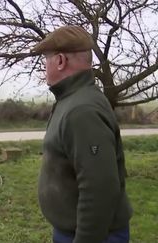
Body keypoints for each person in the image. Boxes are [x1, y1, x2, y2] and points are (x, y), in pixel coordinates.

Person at [32, 26, 132, 243]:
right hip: (73, 230)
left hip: (94, 235)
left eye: (46, 60)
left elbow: (100, 189)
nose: (44, 68)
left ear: (60, 61)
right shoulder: (72, 99)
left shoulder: (81, 111)